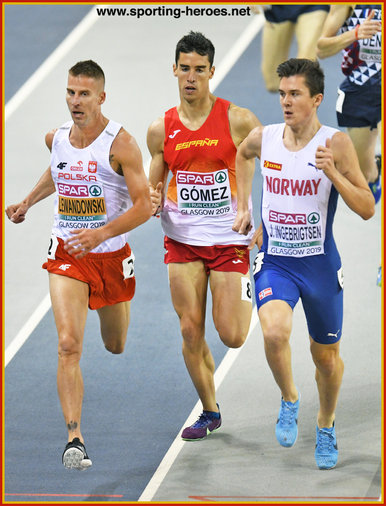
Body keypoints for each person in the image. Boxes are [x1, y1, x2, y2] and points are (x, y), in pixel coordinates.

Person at [5, 60, 152, 470]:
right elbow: (58, 170)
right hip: (67, 253)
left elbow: (143, 207)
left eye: (84, 94)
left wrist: (101, 234)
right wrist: (28, 202)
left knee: (115, 344)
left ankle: (114, 307)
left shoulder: (121, 144)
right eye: (70, 92)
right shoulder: (57, 138)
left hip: (109, 256)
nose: (75, 101)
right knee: (68, 344)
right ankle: (74, 438)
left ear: (101, 97)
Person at [233, 58, 374, 469]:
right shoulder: (265, 138)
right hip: (276, 262)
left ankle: (326, 424)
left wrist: (334, 172)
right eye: (282, 94)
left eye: (295, 94)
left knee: (326, 358)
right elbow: (243, 154)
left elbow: (366, 207)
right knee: (274, 333)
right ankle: (290, 398)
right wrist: (245, 205)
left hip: (319, 266)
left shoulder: (336, 145)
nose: (286, 102)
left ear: (316, 99)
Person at [147, 31, 261, 440]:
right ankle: (209, 410)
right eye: (184, 68)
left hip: (228, 239)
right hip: (181, 240)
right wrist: (153, 196)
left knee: (232, 334)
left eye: (199, 69)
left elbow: (275, 159)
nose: (190, 77)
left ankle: (255, 274)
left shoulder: (238, 119)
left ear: (212, 71)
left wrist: (257, 215)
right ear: (174, 70)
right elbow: (155, 180)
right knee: (190, 329)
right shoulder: (160, 128)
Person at [316, 5, 382, 204]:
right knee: (363, 175)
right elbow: (321, 48)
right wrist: (355, 33)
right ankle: (376, 169)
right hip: (363, 89)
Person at [252, 5, 329, 92]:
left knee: (304, 66)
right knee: (272, 83)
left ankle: (299, 99)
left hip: (313, 6)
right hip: (277, 8)